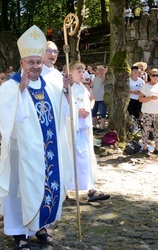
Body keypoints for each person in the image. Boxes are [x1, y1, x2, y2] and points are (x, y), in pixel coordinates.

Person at [0, 25, 73, 249]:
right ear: (22, 63)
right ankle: (19, 233)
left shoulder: (50, 85)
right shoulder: (11, 86)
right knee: (21, 189)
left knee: (44, 186)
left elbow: (63, 112)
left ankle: (39, 226)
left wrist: (66, 90)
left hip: (48, 151)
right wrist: (19, 90)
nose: (35, 66)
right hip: (22, 150)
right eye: (31, 62)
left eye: (38, 62)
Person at [68, 62, 110, 202]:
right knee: (73, 157)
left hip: (83, 128)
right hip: (72, 129)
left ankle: (90, 188)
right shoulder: (67, 88)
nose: (82, 74)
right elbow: (63, 105)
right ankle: (66, 189)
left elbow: (89, 102)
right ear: (71, 72)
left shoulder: (82, 87)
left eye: (83, 71)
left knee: (85, 157)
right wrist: (76, 110)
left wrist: (89, 102)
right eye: (78, 71)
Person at [139, 68, 158, 154]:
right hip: (148, 111)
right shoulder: (146, 86)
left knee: (157, 130)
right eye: (153, 75)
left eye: (157, 75)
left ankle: (156, 148)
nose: (155, 77)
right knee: (146, 129)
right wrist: (150, 98)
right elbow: (140, 99)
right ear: (150, 76)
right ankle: (144, 147)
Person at [91, 65, 107, 133]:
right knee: (93, 113)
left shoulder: (105, 77)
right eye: (98, 69)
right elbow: (92, 86)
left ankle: (102, 126)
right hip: (94, 98)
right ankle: (94, 126)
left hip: (102, 98)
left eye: (101, 69)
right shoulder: (95, 78)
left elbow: (104, 80)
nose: (99, 70)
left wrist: (100, 74)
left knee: (103, 113)